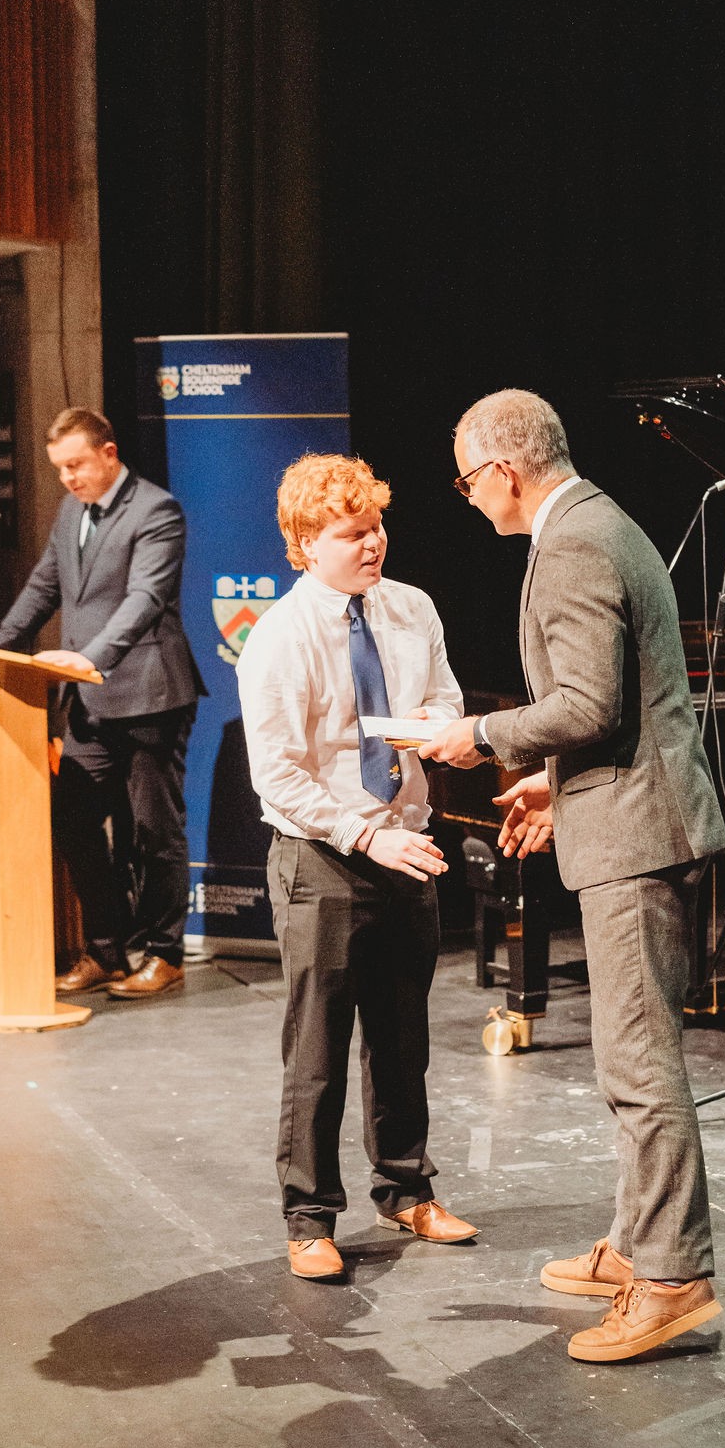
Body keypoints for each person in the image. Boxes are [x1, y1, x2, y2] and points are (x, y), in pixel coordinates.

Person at [420, 389, 725, 1362]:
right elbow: (621, 703)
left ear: (503, 471)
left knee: (639, 1064)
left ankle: (672, 1279)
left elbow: (589, 704)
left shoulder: (576, 543)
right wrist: (553, 789)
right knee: (628, 1058)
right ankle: (639, 1243)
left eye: (467, 481)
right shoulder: (594, 523)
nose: (469, 497)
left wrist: (481, 736)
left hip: (638, 837)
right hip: (630, 818)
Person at [235, 452, 477, 1281]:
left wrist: (434, 728)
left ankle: (406, 1189)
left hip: (408, 844)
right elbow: (279, 776)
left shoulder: (412, 608)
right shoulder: (280, 637)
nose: (372, 544)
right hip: (323, 859)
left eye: (376, 527)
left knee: (403, 1039)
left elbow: (445, 698)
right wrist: (366, 837)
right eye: (351, 534)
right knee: (318, 1049)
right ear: (306, 543)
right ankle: (309, 1218)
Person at [0, 406, 203, 998]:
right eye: (60, 468)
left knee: (154, 831)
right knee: (72, 819)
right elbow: (44, 586)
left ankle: (164, 954)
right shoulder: (71, 511)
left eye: (76, 464)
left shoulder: (156, 510)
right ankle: (106, 951)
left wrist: (91, 657)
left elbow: (146, 598)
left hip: (150, 695)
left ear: (109, 453)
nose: (68, 478)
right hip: (89, 702)